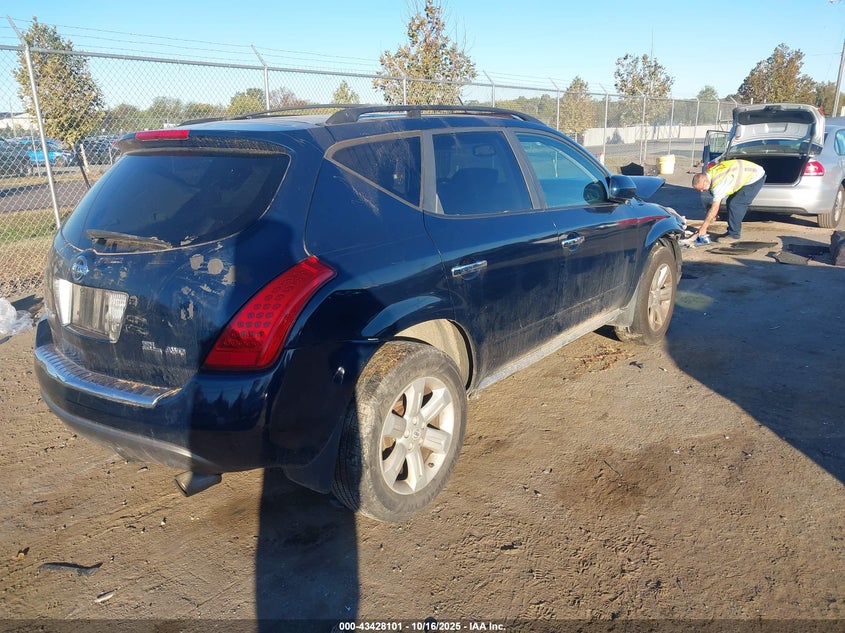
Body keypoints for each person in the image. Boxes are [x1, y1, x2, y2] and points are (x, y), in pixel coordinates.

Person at [691, 159, 766, 242]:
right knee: (730, 202)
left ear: (705, 182)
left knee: (736, 204)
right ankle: (731, 231)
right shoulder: (710, 173)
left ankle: (734, 235)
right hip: (746, 170)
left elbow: (715, 208)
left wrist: (704, 227)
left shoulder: (718, 184)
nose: (701, 191)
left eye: (701, 188)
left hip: (755, 177)